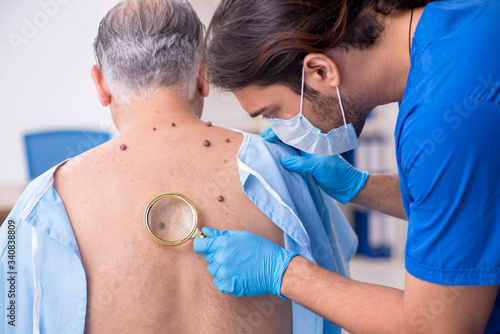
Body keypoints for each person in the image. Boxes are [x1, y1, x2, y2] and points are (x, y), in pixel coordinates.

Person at [0, 0, 358, 333]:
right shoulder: (288, 170)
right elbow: (336, 302)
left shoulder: (39, 207)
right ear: (204, 76)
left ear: (101, 84)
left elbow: (12, 318)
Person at [194, 0, 500, 333]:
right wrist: (358, 185)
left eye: (274, 112)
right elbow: (472, 201)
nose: (282, 129)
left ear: (321, 71)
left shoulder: (443, 117)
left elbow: (435, 327)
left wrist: (284, 273)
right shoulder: (452, 26)